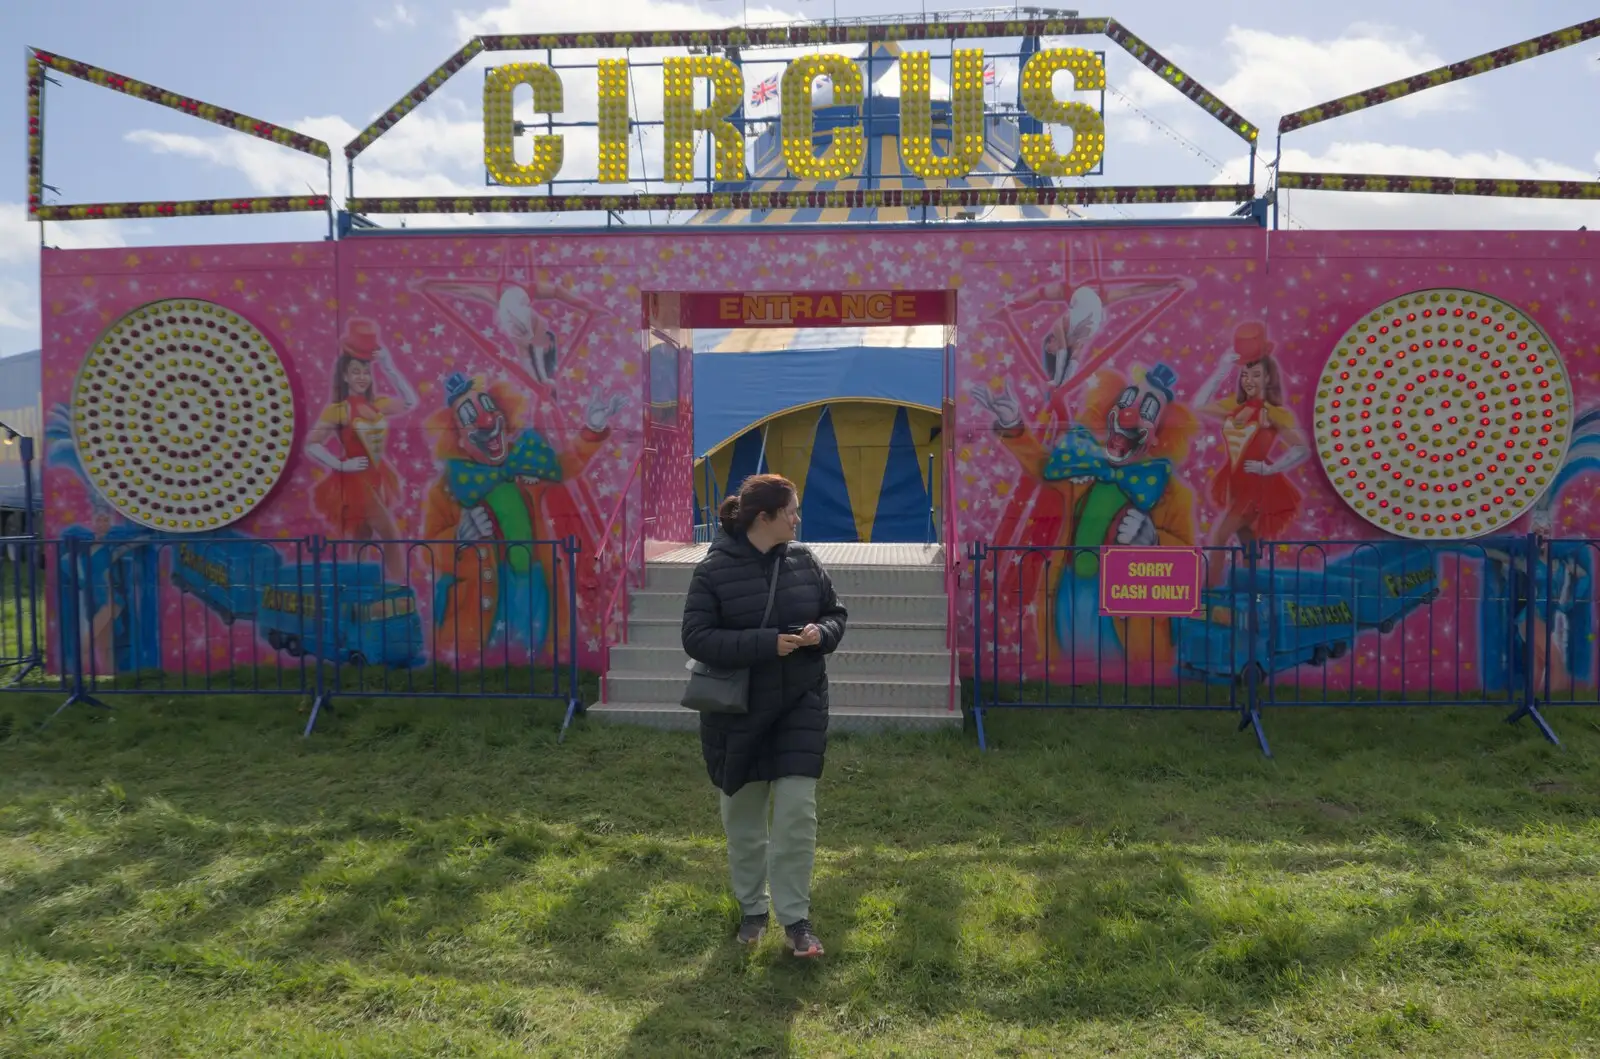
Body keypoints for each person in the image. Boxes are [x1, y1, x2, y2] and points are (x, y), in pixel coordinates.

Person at [681, 474, 848, 958]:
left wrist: (822, 632)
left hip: (799, 703)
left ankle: (796, 921)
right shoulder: (713, 570)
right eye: (791, 510)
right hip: (737, 713)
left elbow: (836, 613)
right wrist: (765, 644)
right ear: (764, 518)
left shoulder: (804, 561)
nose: (798, 518)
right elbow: (696, 637)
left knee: (797, 813)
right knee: (744, 820)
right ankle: (753, 909)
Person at [1193, 321, 1308, 585]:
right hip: (1235, 482)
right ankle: (1251, 596)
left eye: (1256, 375)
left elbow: (1301, 447)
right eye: (1246, 374)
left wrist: (1271, 469)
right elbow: (1199, 404)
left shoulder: (1273, 412)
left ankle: (1210, 593)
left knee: (1221, 537)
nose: (1249, 380)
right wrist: (1222, 369)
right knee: (1248, 544)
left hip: (1255, 486)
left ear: (1268, 378)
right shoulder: (1235, 406)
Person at [305, 318, 419, 582]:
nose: (361, 377)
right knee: (390, 534)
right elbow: (312, 443)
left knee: (361, 541)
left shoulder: (378, 404)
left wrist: (389, 366)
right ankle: (401, 588)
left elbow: (410, 401)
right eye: (355, 372)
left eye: (365, 372)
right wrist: (339, 464)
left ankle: (354, 593)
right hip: (355, 481)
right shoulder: (339, 410)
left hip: (376, 478)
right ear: (345, 375)